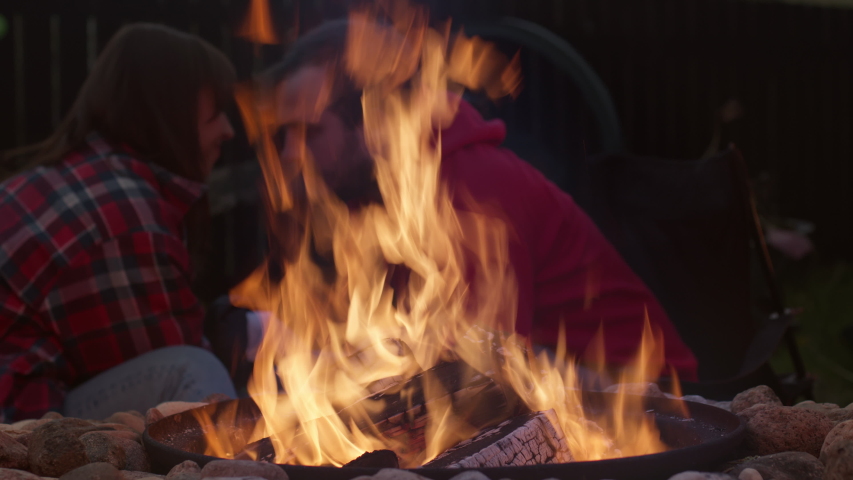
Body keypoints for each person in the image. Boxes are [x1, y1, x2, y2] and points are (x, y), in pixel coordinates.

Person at [225, 19, 699, 383]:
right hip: (534, 385)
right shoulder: (369, 196)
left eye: (309, 132)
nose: (288, 154)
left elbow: (472, 373)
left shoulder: (470, 191)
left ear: (377, 120)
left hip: (638, 399)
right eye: (283, 135)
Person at [0, 24, 239, 422]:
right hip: (14, 431)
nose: (228, 130)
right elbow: (162, 355)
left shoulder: (81, 180)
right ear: (168, 107)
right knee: (194, 373)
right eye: (216, 110)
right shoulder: (122, 217)